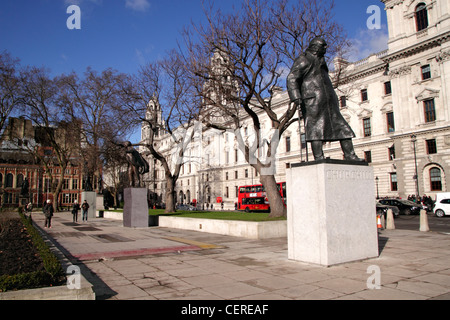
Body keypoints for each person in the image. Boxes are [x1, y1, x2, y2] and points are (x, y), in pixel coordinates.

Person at [286, 37, 363, 162]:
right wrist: (296, 96)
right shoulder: (304, 60)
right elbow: (292, 78)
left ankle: (350, 155)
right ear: (316, 47)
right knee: (315, 130)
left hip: (328, 101)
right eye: (323, 46)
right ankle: (318, 157)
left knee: (343, 128)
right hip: (313, 101)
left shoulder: (321, 61)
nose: (325, 49)